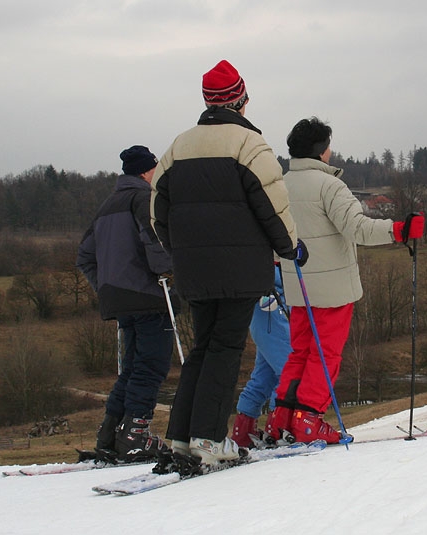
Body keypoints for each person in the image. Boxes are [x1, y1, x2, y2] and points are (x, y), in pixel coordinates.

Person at [150, 60, 305, 465]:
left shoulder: (176, 148)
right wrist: (290, 246)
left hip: (193, 270)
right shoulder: (249, 146)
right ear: (241, 100)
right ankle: (208, 440)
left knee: (203, 346)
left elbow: (157, 213)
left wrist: (180, 249)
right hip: (240, 269)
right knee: (226, 347)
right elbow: (273, 204)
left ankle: (181, 439)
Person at [266, 117, 424, 445]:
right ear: (322, 150)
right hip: (333, 290)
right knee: (325, 354)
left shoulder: (281, 185)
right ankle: (308, 419)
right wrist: (399, 230)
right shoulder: (329, 186)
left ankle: (281, 419)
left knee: (300, 352)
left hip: (298, 287)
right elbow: (358, 228)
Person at [76, 145, 175, 462]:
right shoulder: (143, 199)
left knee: (131, 368)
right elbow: (154, 242)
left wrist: (105, 287)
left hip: (119, 300)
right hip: (148, 297)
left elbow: (85, 257)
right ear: (147, 171)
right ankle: (135, 436)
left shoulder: (106, 206)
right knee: (151, 366)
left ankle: (110, 434)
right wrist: (170, 273)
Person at [229, 263, 292, 448]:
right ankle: (279, 426)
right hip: (270, 298)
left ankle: (244, 429)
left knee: (265, 376)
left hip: (270, 301)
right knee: (288, 371)